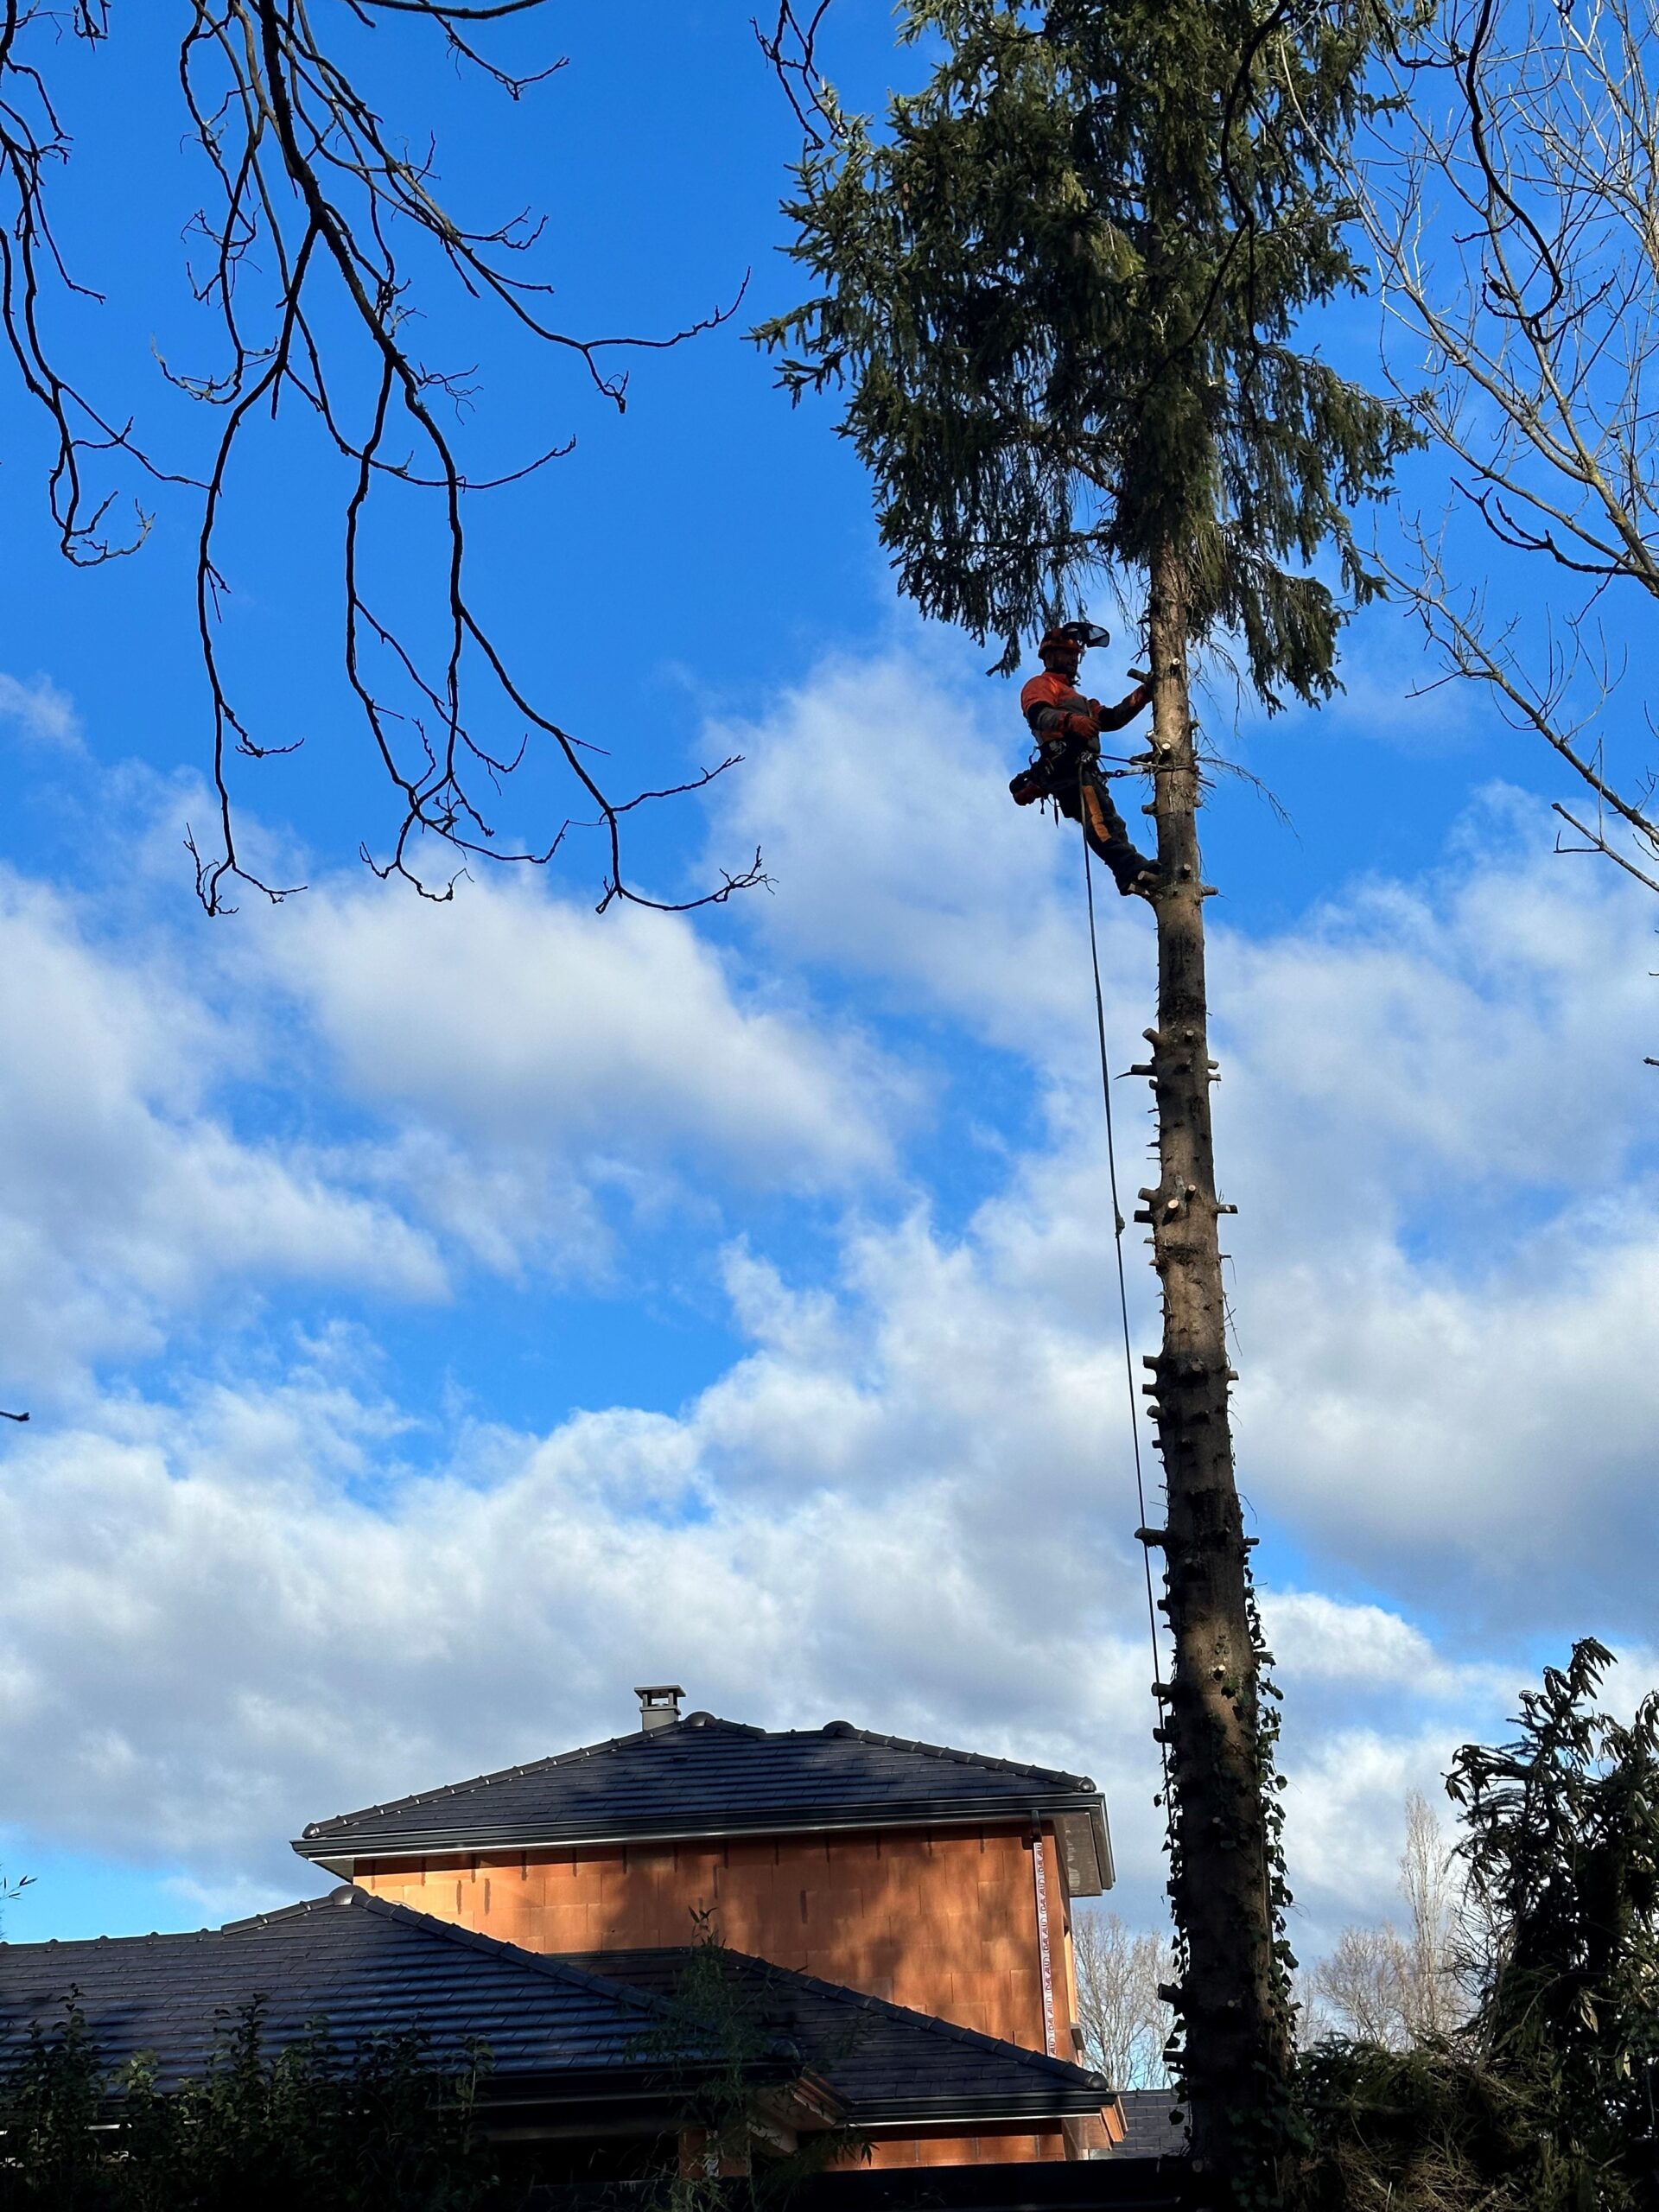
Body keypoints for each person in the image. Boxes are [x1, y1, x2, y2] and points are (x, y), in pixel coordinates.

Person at [1010, 622, 1161, 896]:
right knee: (1099, 822)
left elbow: (1111, 718)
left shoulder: (1080, 699)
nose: (1072, 660)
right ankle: (1129, 869)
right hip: (1066, 766)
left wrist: (1144, 694)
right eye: (1067, 655)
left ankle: (1134, 873)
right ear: (1050, 655)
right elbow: (1038, 714)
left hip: (1084, 768)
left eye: (1075, 656)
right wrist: (1070, 721)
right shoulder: (1041, 685)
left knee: (1112, 823)